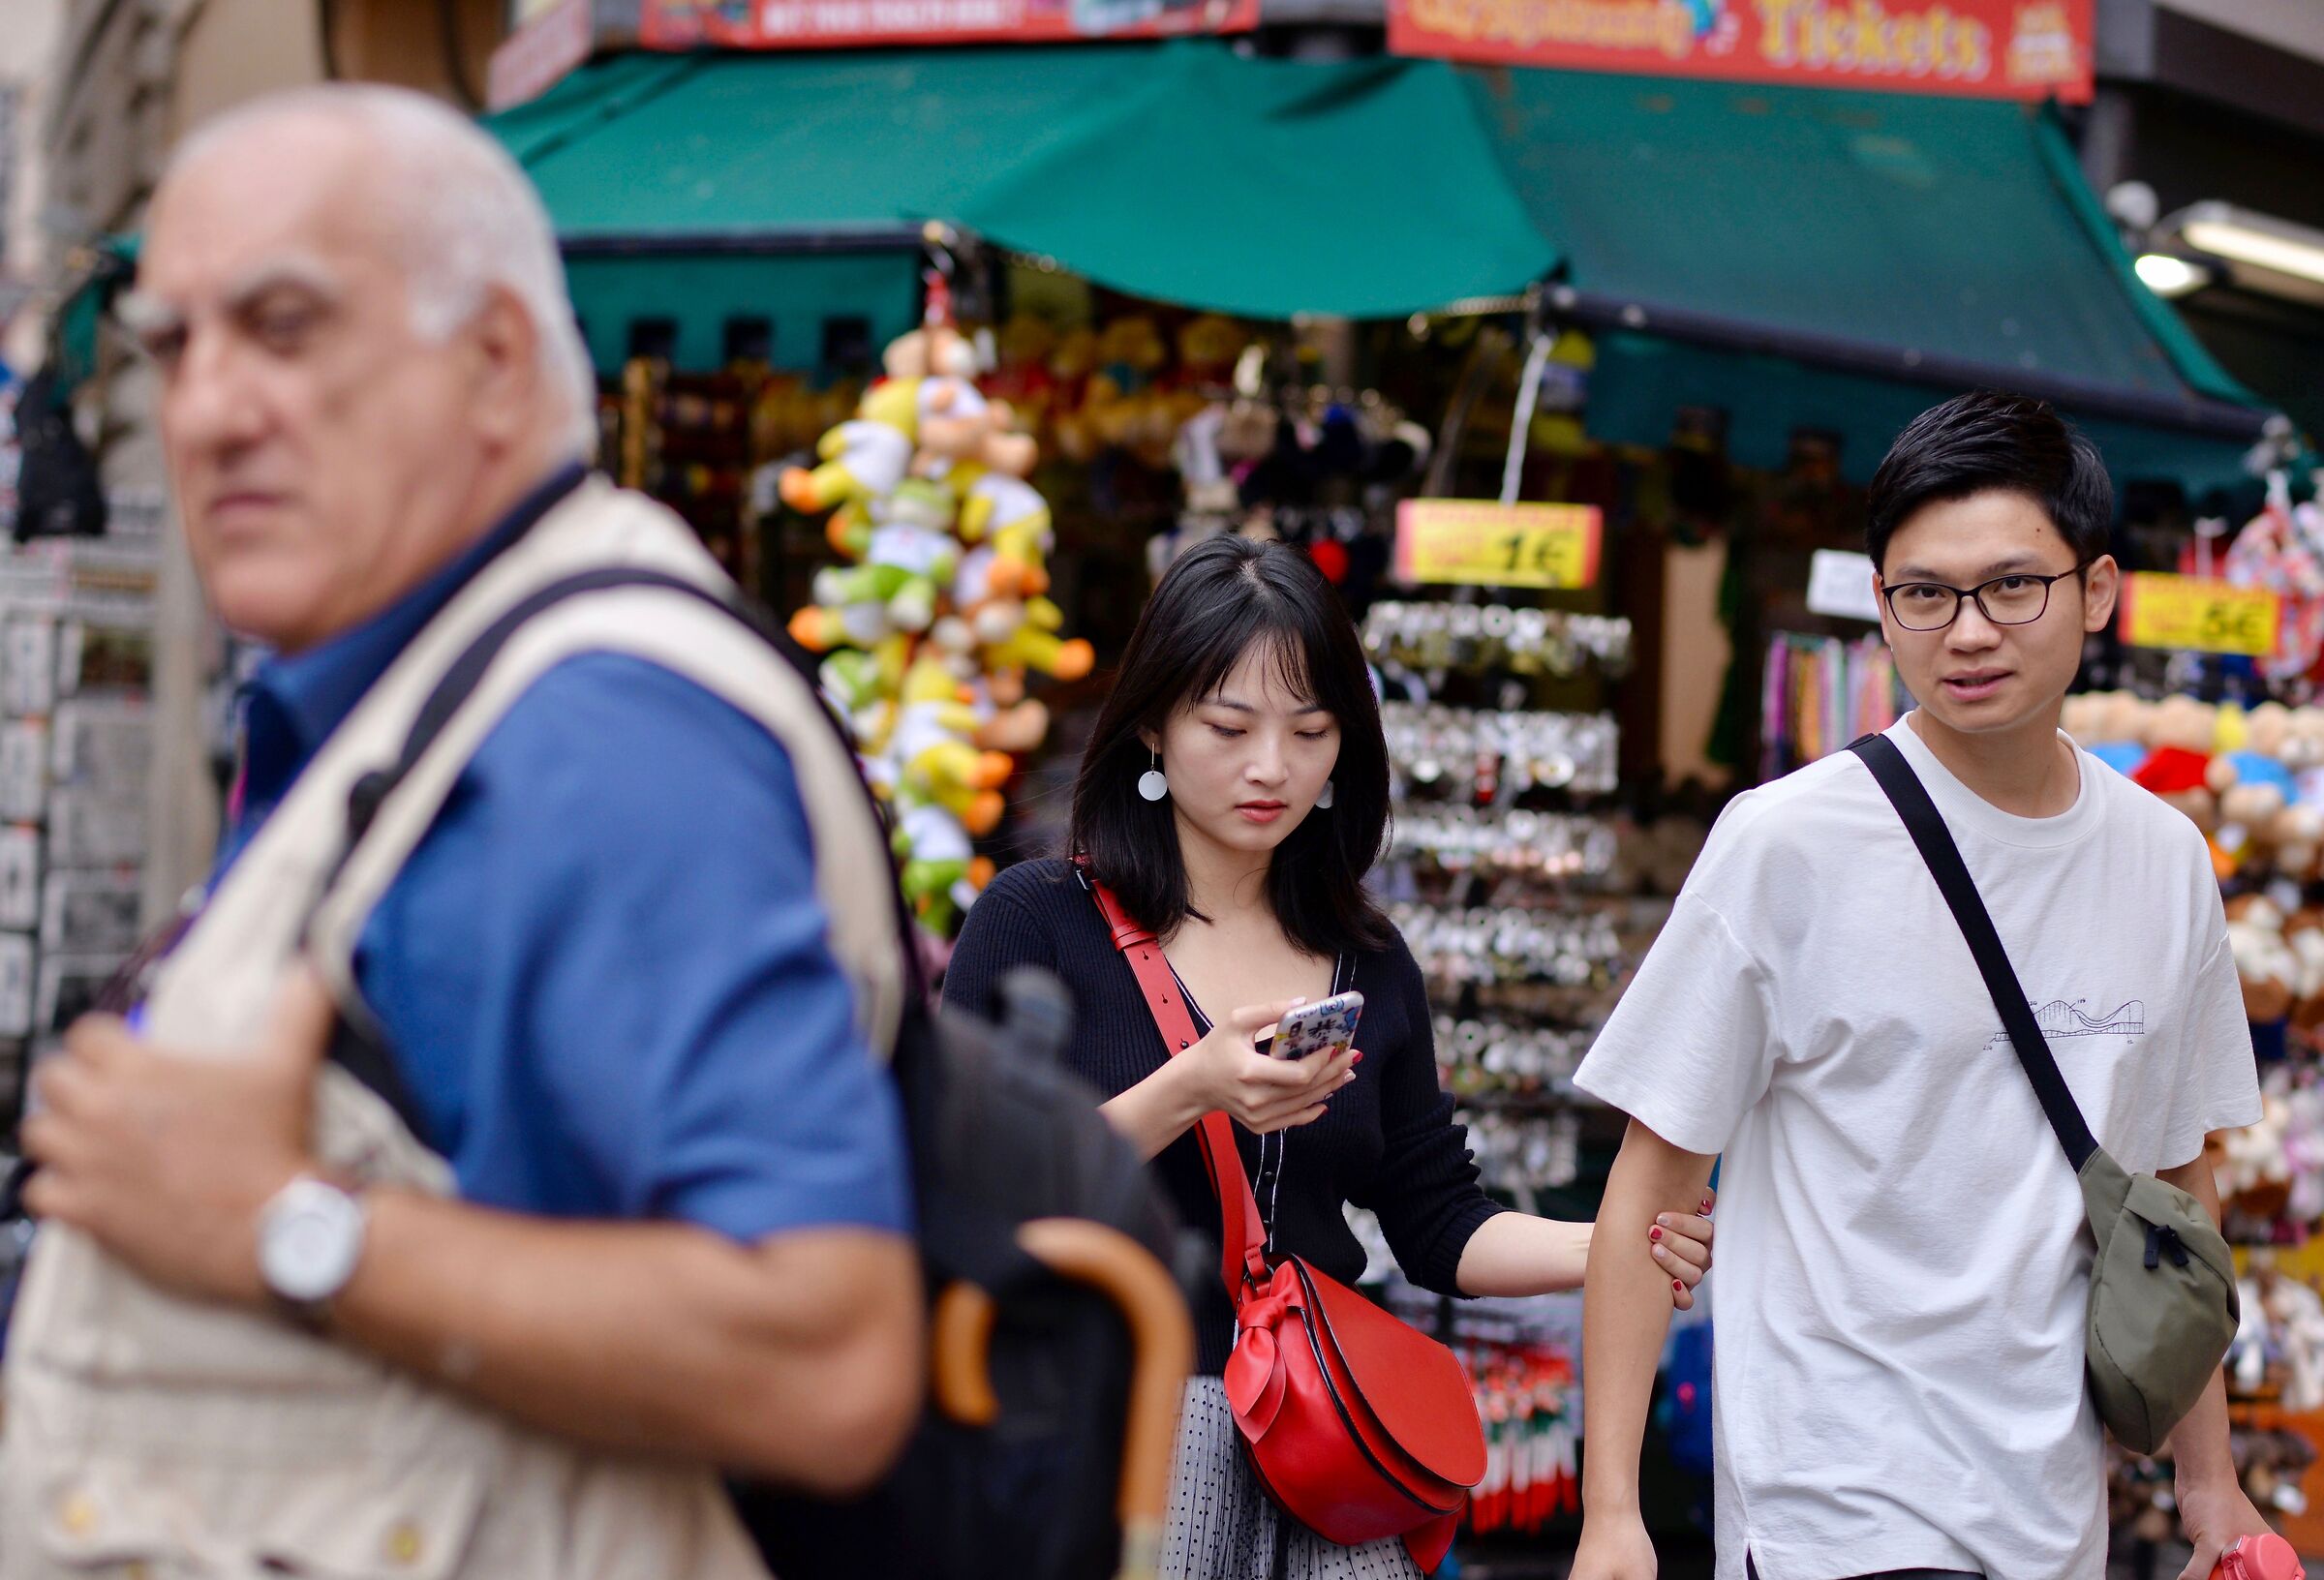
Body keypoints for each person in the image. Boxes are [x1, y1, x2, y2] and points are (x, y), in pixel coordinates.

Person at [1, 86, 919, 1577]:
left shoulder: (597, 743)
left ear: (496, 362)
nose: (211, 408)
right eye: (177, 345)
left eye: (286, 326)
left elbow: (824, 1359)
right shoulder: (441, 687)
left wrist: (280, 1222)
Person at [1567, 391, 2267, 1580]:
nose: (1968, 631)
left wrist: (2213, 1488)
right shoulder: (1784, 844)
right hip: (1831, 1506)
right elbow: (1654, 1176)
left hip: (2052, 1513)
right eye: (1924, 596)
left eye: (2011, 587)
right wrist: (1613, 1516)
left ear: (2095, 593)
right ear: (1883, 607)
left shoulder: (2163, 861)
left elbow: (2168, 1191)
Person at [942, 534, 1716, 1580]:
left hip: (1318, 1459)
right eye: (1229, 726)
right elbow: (965, 1184)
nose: (1273, 767)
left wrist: (1617, 1243)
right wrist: (1193, 1089)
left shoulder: (1368, 957)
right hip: (1107, 1428)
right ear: (1153, 731)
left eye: (1311, 732)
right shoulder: (1039, 918)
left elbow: (1437, 1220)